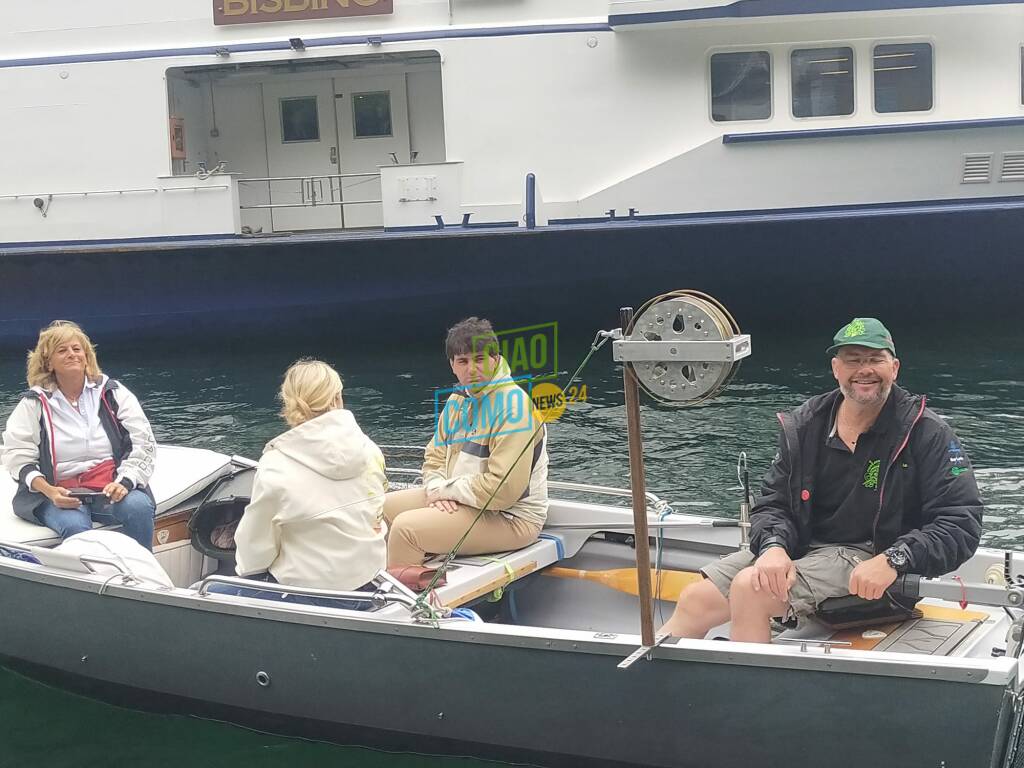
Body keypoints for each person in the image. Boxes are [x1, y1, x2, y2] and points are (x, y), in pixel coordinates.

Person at [661, 317, 983, 643]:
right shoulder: (806, 424)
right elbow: (774, 503)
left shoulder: (927, 432)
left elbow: (961, 521)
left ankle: (747, 691)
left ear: (895, 367)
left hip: (874, 559)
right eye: (853, 360)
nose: (864, 370)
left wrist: (896, 559)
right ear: (835, 368)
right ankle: (645, 687)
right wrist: (773, 546)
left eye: (875, 359)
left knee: (749, 589)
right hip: (803, 545)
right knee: (695, 600)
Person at [211, 360, 386, 609]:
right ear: (338, 398)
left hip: (305, 592)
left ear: (288, 402)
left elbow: (255, 550)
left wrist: (247, 570)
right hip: (368, 582)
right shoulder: (370, 450)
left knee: (206, 591)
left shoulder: (275, 463)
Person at [384, 317, 548, 568]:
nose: (472, 369)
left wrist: (445, 491)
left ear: (495, 359)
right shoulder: (457, 401)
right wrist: (437, 488)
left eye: (480, 359)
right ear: (452, 365)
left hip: (512, 517)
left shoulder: (514, 407)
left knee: (407, 529)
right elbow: (434, 457)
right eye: (463, 361)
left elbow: (502, 491)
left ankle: (405, 603)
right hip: (463, 500)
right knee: (379, 509)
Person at [1, 320, 157, 549]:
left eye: (77, 349)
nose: (72, 354)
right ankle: (89, 583)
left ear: (86, 356)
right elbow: (17, 456)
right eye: (62, 350)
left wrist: (124, 481)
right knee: (75, 526)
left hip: (109, 486)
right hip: (55, 492)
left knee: (138, 508)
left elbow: (143, 441)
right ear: (48, 363)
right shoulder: (34, 403)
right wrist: (51, 491)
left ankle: (144, 576)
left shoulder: (112, 392)